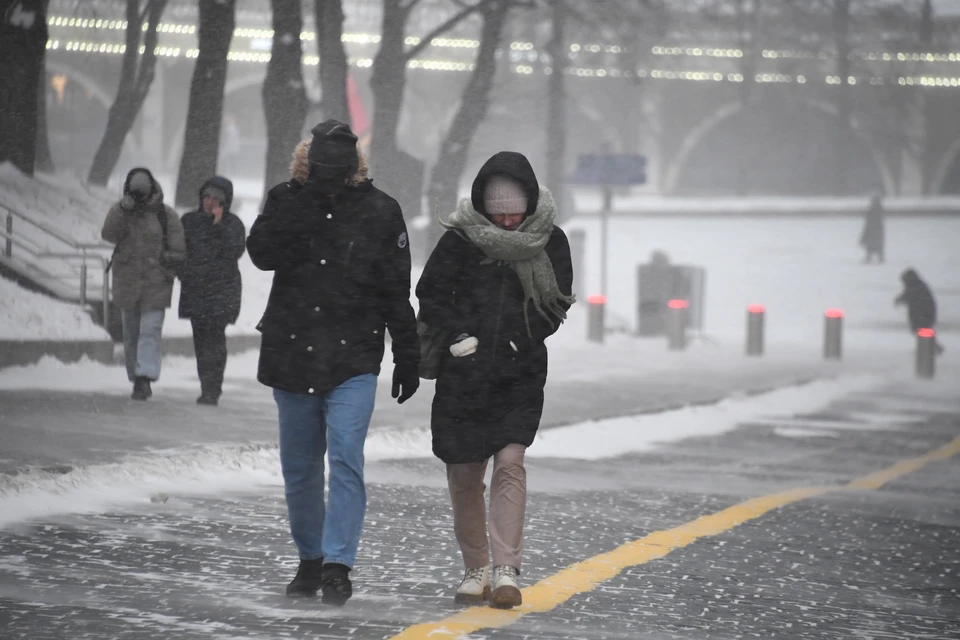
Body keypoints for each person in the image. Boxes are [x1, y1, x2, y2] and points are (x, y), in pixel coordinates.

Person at [246, 120, 420, 605]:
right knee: (300, 468)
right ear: (308, 162)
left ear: (354, 167)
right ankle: (311, 559)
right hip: (293, 349)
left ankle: (338, 565)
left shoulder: (381, 210)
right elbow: (261, 253)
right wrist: (304, 200)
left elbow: (394, 287)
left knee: (346, 459)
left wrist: (407, 353)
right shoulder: (286, 198)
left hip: (353, 355)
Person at [416, 151, 575, 609]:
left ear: (529, 204)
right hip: (463, 376)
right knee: (465, 474)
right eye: (499, 212)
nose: (507, 221)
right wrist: (460, 333)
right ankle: (475, 569)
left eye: (514, 211)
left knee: (510, 463)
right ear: (483, 207)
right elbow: (429, 295)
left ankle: (507, 570)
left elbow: (557, 303)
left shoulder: (551, 241)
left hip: (518, 373)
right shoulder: (461, 241)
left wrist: (515, 341)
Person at [101, 168, 185, 401]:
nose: (140, 198)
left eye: (143, 193)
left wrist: (166, 262)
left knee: (150, 330)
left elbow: (179, 249)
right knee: (131, 334)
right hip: (128, 282)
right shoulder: (123, 212)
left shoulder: (165, 215)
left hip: (156, 282)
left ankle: (144, 377)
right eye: (135, 193)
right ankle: (136, 374)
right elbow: (108, 234)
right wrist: (120, 210)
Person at [178, 176, 246, 406]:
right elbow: (180, 252)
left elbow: (234, 251)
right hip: (196, 290)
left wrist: (218, 226)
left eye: (216, 199)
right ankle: (205, 385)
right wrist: (183, 274)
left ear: (225, 202)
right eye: (207, 197)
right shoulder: (189, 221)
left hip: (222, 293)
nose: (210, 203)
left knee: (215, 340)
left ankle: (213, 388)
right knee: (200, 342)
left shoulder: (233, 224)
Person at [895, 268, 944, 354]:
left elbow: (909, 296)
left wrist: (900, 300)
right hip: (920, 314)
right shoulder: (916, 285)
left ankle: (930, 348)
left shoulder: (916, 287)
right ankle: (930, 347)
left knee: (922, 331)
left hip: (922, 314)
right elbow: (907, 295)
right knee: (921, 331)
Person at [860, 194, 885, 264]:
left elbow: (872, 218)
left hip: (873, 229)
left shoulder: (875, 209)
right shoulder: (877, 209)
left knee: (874, 244)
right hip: (875, 229)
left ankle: (875, 257)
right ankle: (874, 257)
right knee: (874, 244)